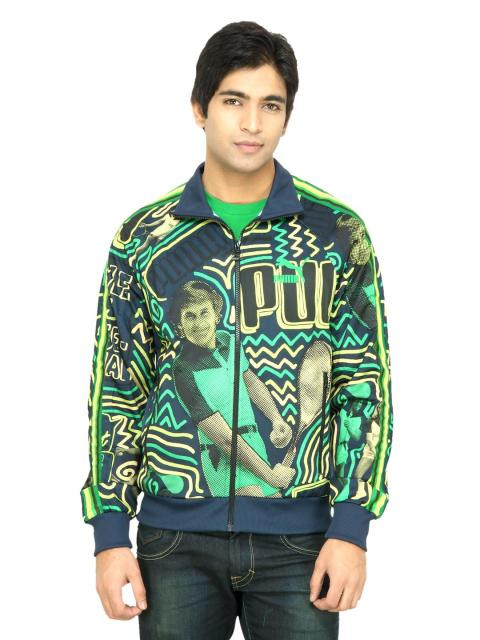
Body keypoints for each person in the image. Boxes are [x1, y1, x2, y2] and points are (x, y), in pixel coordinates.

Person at [80, 20, 394, 639]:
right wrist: (110, 532)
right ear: (200, 109)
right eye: (233, 101)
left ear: (287, 117)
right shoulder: (144, 239)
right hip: (175, 544)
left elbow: (365, 385)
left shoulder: (337, 234)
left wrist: (352, 526)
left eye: (270, 105)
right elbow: (118, 390)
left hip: (302, 542)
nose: (252, 123)